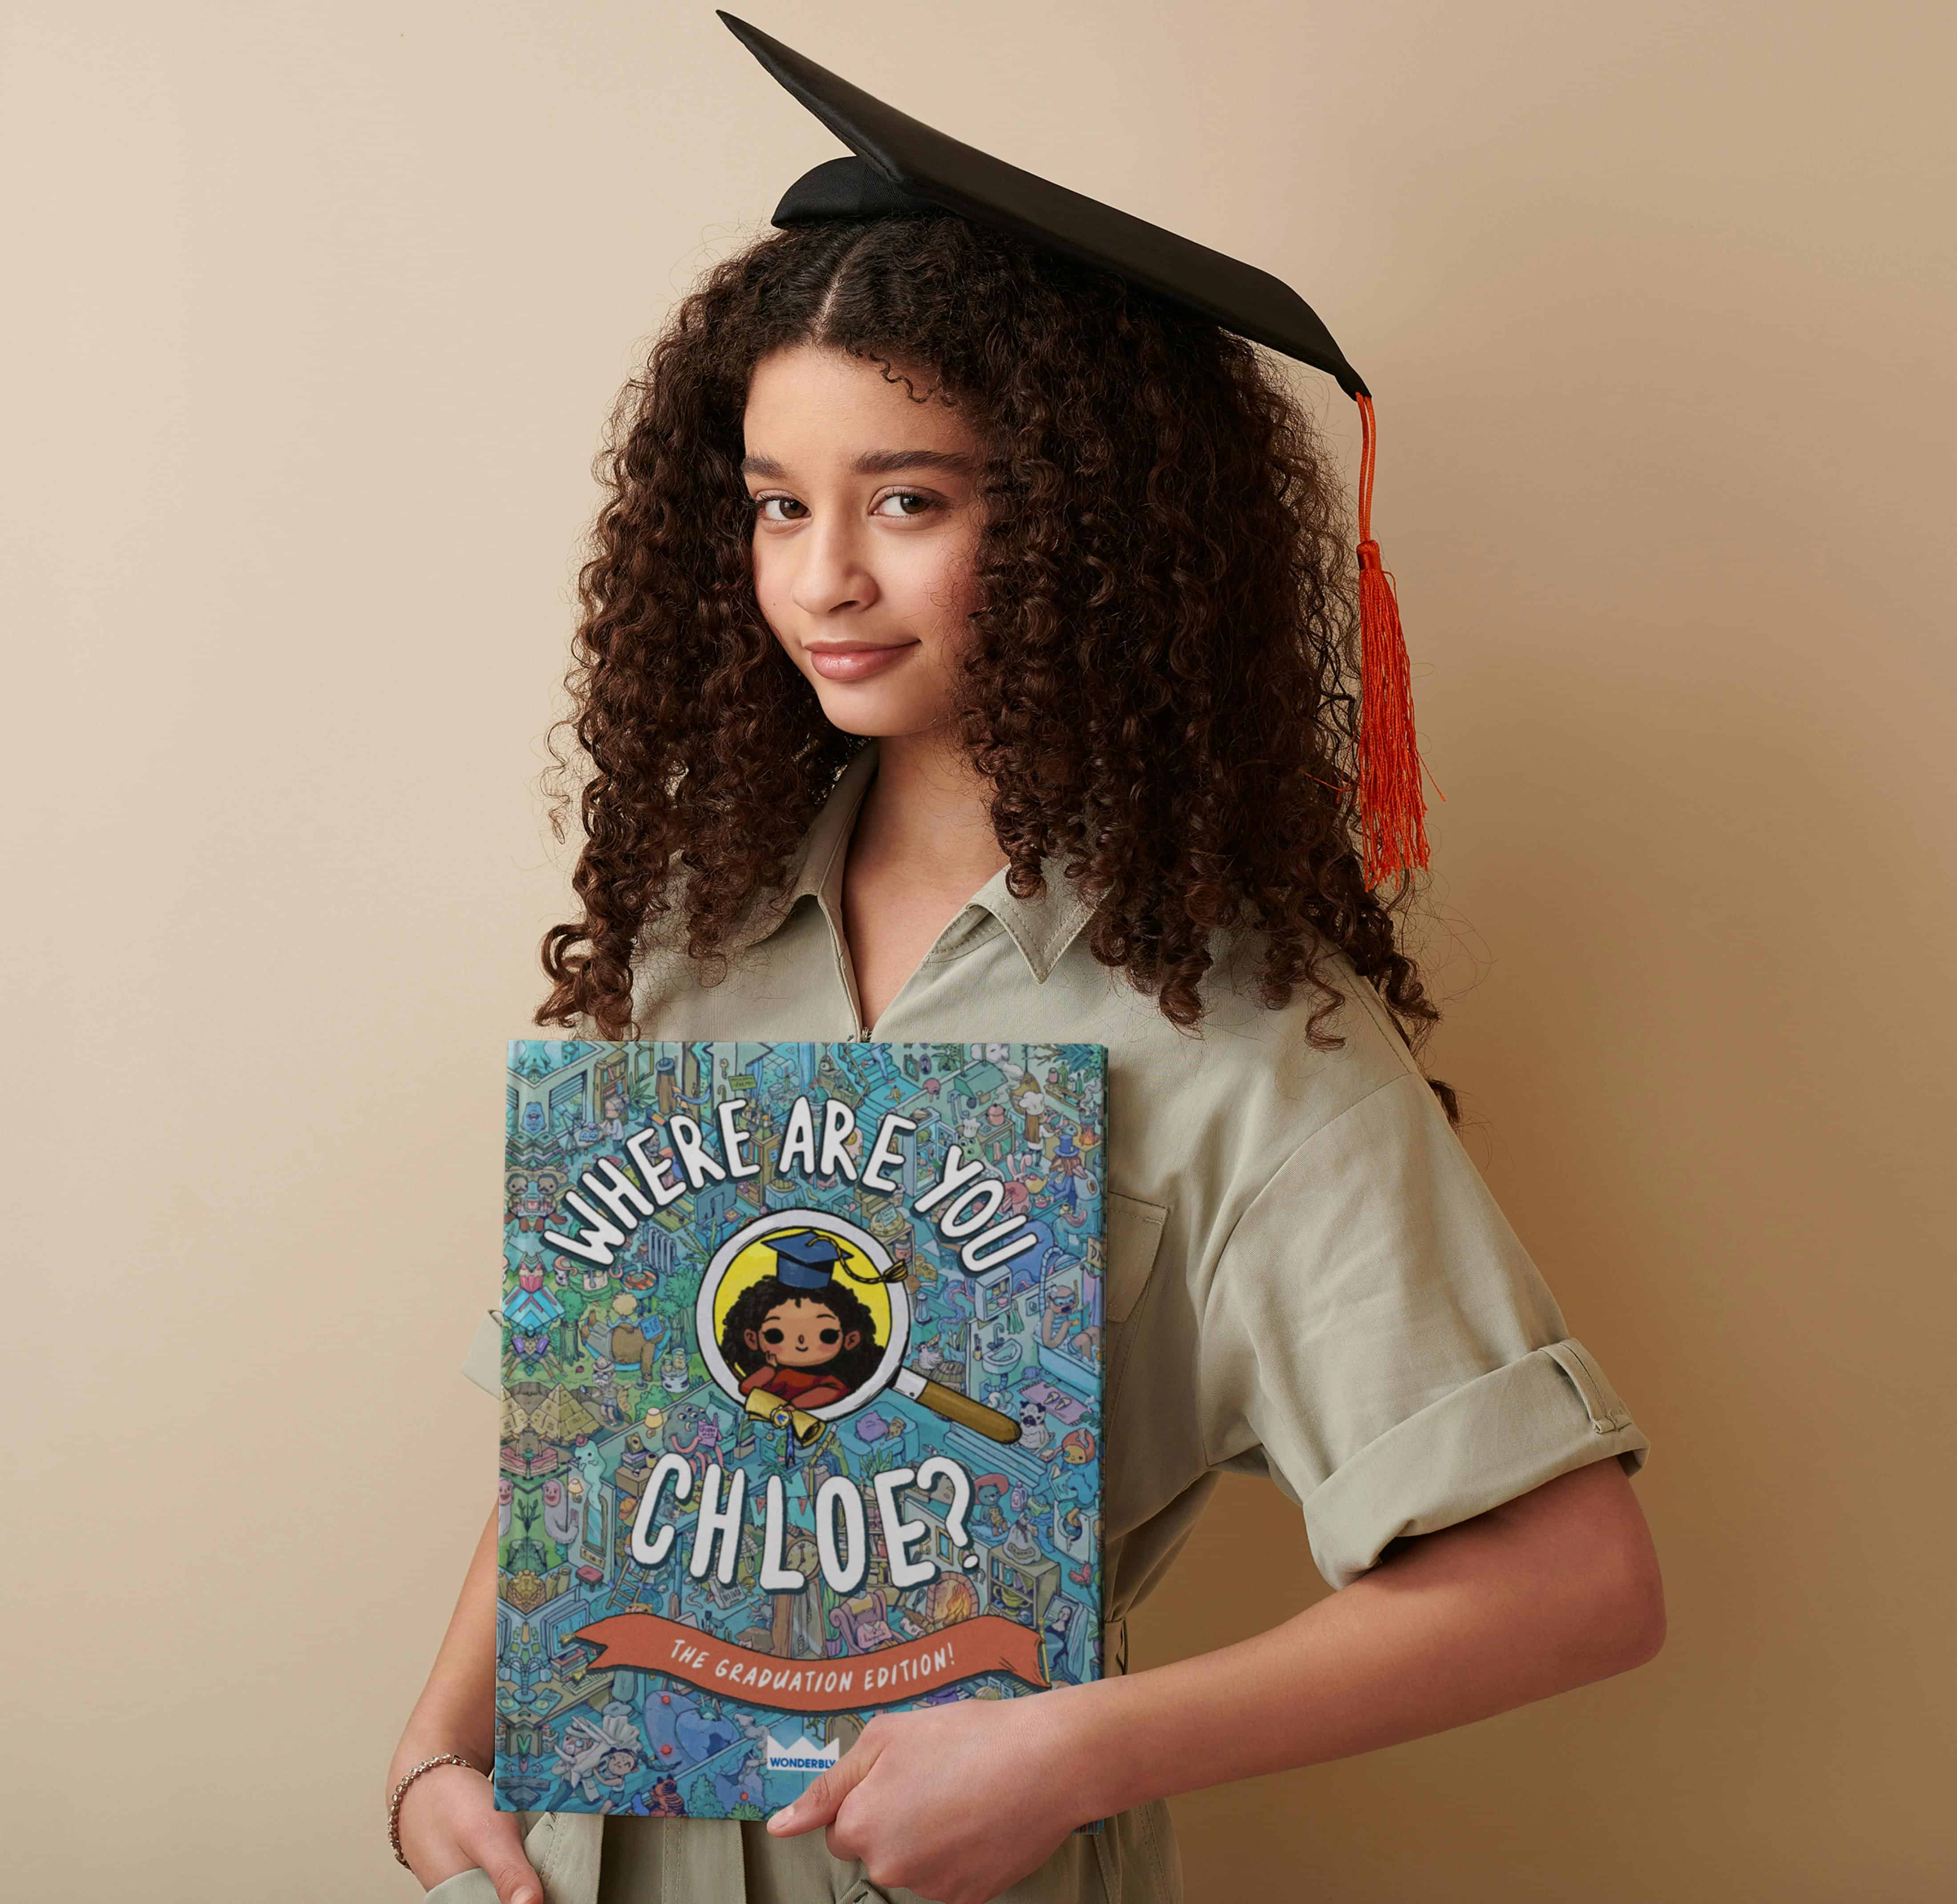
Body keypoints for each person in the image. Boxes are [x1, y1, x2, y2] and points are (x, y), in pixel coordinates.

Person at [385, 17, 1662, 1904]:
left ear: (1079, 530)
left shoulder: (1232, 1031)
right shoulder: (690, 946)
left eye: (908, 500)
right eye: (773, 503)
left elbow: (1569, 1577)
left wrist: (1072, 1740)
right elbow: (614, 1426)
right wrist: (439, 1743)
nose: (822, 577)